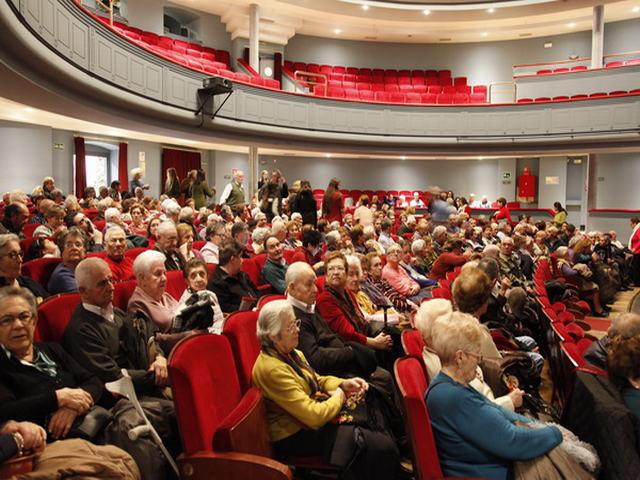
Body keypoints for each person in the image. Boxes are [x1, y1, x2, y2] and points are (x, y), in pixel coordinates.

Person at [252, 300, 400, 480]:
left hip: (310, 414)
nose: (298, 329)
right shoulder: (271, 369)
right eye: (291, 326)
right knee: (377, 445)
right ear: (274, 336)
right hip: (294, 434)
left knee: (373, 403)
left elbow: (317, 379)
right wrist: (339, 396)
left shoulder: (292, 353)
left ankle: (394, 467)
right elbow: (313, 416)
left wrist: (342, 384)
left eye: (296, 323)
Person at [426, 311, 562, 480]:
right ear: (460, 357)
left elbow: (495, 409)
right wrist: (557, 433)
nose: (479, 361)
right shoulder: (451, 397)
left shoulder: (450, 385)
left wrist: (537, 424)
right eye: (477, 355)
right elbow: (513, 441)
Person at [0, 286, 103, 437]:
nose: (18, 325)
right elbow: (6, 411)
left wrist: (71, 408)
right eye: (7, 320)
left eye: (24, 317)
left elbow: (93, 382)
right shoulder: (3, 365)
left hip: (93, 422)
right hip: (56, 443)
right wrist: (58, 398)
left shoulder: (51, 349)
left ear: (34, 321)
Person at [415, 299, 522, 410]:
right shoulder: (440, 364)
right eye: (450, 320)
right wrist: (510, 401)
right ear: (437, 329)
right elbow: (474, 410)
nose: (456, 322)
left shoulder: (446, 350)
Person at [318, 252, 393, 352]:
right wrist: (375, 342)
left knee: (391, 335)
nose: (335, 272)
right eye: (331, 269)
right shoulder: (324, 299)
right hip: (350, 348)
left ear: (345, 273)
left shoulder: (347, 293)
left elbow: (362, 320)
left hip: (362, 336)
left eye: (340, 268)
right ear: (326, 276)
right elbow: (346, 333)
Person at [208, 240, 259, 312]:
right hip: (241, 317)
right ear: (233, 259)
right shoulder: (216, 283)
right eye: (240, 257)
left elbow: (257, 293)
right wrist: (252, 309)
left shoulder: (242, 275)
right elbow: (225, 308)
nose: (242, 260)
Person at [176, 258, 225, 334]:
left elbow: (219, 320)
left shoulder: (211, 294)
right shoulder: (187, 302)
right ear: (187, 281)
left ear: (207, 276)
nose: (199, 279)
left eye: (202, 274)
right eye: (193, 276)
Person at [0, 234, 49, 302]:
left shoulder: (27, 282)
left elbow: (49, 302)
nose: (20, 260)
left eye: (20, 254)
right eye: (13, 255)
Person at [48, 228, 87, 294]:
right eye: (69, 245)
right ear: (62, 251)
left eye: (78, 245)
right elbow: (84, 297)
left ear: (85, 251)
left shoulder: (85, 268)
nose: (74, 248)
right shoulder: (62, 276)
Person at [629, 217, 640, 287]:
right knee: (636, 267)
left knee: (637, 268)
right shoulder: (637, 230)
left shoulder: (639, 230)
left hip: (638, 251)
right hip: (637, 251)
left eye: (631, 224)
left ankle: (637, 283)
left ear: (635, 223)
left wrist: (635, 248)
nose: (630, 226)